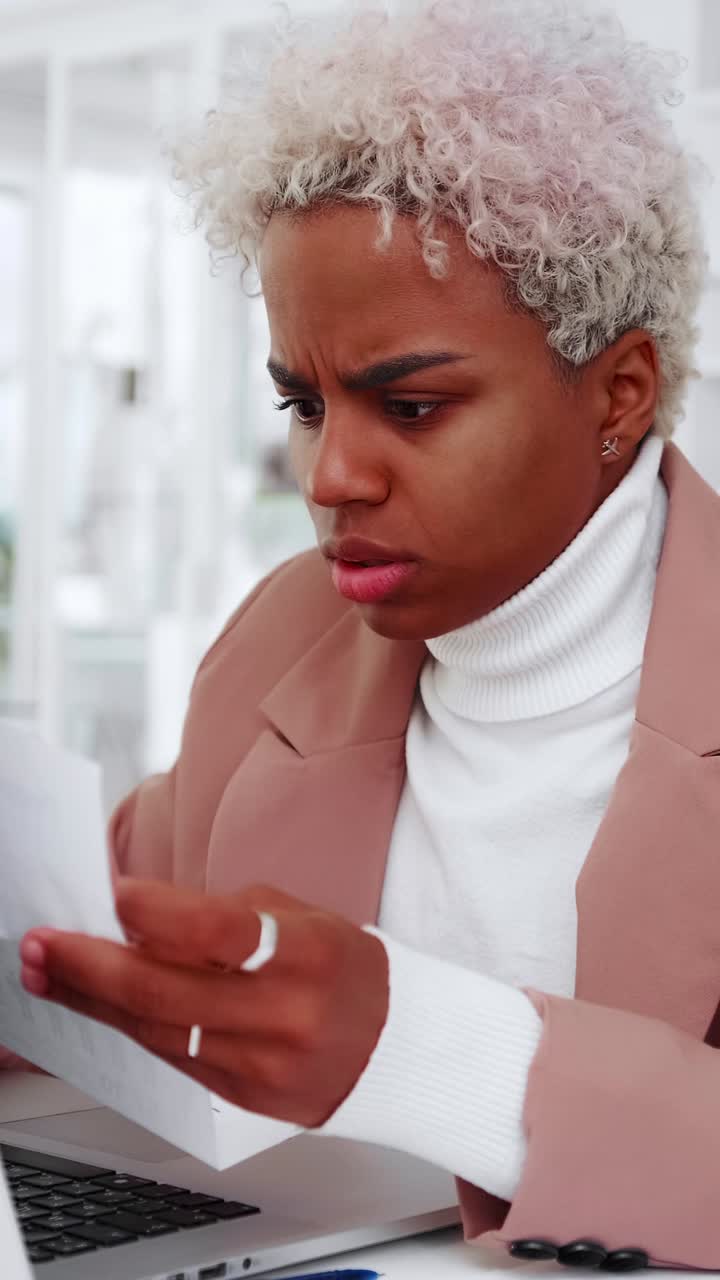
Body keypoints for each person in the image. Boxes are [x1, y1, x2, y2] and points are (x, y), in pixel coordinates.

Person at [15, 0, 720, 1269]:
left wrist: (425, 1049)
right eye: (304, 403)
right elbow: (117, 923)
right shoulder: (285, 636)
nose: (329, 475)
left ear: (619, 392)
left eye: (412, 405)